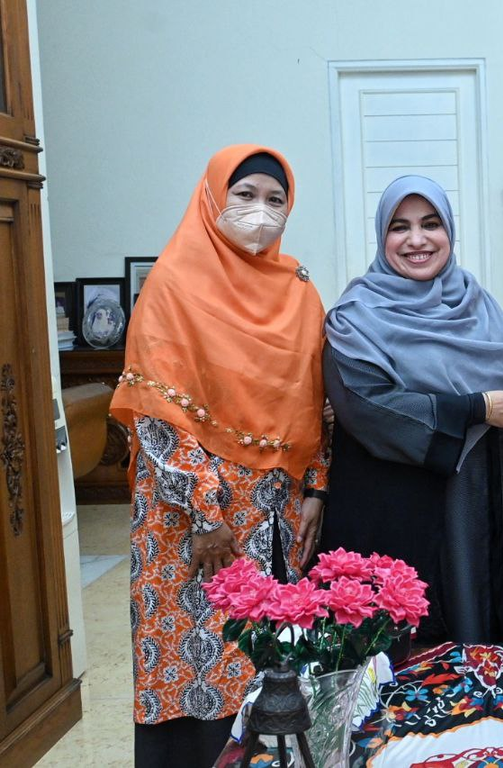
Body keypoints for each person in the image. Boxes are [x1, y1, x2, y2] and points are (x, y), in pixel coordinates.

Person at [110, 145, 328, 768]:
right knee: (192, 670)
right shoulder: (173, 286)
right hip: (190, 523)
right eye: (245, 195)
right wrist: (205, 515)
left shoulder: (301, 293)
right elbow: (156, 415)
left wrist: (316, 489)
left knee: (266, 674)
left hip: (275, 517)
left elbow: (317, 405)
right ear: (212, 198)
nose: (260, 212)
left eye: (275, 200)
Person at [321, 175, 503, 644]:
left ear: (449, 230)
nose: (418, 240)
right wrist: (476, 407)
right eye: (399, 227)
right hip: (395, 510)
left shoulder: (479, 303)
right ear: (382, 237)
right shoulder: (355, 315)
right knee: (409, 658)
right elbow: (368, 406)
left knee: (484, 640)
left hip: (478, 503)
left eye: (430, 224)